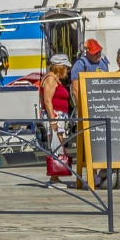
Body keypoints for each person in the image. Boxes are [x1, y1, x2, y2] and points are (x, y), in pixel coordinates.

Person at [39, 54, 73, 184]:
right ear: (59, 67)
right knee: (56, 144)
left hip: (59, 115)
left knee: (58, 144)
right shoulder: (50, 79)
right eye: (66, 68)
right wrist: (53, 120)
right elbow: (47, 100)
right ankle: (54, 177)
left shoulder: (55, 79)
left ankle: (56, 176)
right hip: (55, 116)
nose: (67, 71)